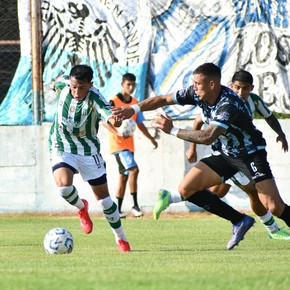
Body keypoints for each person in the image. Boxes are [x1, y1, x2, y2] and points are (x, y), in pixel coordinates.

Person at [112, 62, 290, 250]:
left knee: (274, 206)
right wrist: (133, 109)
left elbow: (207, 136)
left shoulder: (229, 104)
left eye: (198, 83)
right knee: (186, 189)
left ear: (212, 84)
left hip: (250, 154)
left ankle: (271, 226)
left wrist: (172, 129)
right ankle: (239, 220)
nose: (193, 87)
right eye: (193, 83)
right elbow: (164, 99)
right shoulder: (197, 93)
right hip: (226, 154)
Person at [49, 64, 131, 252]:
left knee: (104, 200)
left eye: (82, 87)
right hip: (61, 144)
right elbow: (57, 84)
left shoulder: (96, 98)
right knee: (63, 187)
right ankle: (81, 207)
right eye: (74, 87)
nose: (77, 92)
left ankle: (121, 238)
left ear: (90, 85)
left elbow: (110, 116)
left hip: (88, 150)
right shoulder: (63, 85)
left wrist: (116, 120)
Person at [103, 73, 158, 218]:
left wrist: (151, 139)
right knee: (133, 170)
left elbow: (139, 123)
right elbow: (104, 121)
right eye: (128, 84)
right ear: (122, 85)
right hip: (118, 146)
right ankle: (135, 206)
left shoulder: (134, 102)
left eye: (133, 85)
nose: (131, 87)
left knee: (124, 176)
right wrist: (118, 133)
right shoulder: (113, 101)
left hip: (130, 146)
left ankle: (117, 210)